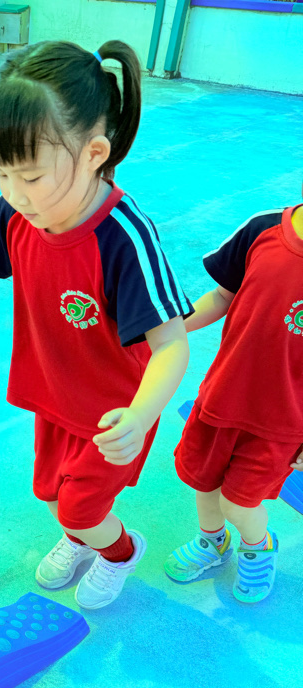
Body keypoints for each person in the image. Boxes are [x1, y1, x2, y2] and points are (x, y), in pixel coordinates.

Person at [0, 40, 193, 610]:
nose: (15, 193)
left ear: (94, 153)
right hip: (54, 394)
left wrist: (141, 415)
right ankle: (82, 535)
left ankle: (119, 551)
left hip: (113, 411)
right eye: (1, 173)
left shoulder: (124, 237)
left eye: (31, 176)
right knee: (54, 495)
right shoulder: (15, 213)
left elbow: (171, 344)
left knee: (80, 507)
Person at [164, 188, 303, 602]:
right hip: (222, 398)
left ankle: (258, 546)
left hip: (282, 423)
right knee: (203, 482)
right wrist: (169, 326)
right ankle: (213, 542)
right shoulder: (264, 228)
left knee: (239, 502)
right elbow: (222, 296)